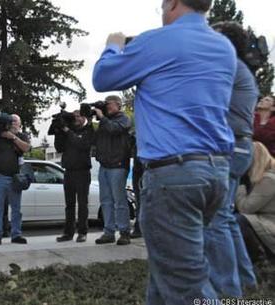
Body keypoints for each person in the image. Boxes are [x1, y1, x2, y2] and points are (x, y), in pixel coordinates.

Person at [92, 0, 236, 303]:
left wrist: (113, 46)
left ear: (172, 2)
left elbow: (103, 78)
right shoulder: (223, 47)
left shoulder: (158, 41)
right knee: (167, 273)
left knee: (186, 286)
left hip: (174, 176)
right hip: (216, 173)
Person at [203, 21, 259, 297]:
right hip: (240, 148)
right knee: (225, 217)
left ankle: (228, 291)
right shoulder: (240, 69)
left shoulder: (229, 67)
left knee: (216, 219)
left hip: (231, 148)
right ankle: (246, 280)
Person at [0, 114, 31, 246]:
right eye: (11, 121)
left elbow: (26, 148)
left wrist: (14, 137)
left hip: (15, 177)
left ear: (20, 124)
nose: (14, 123)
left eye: (16, 121)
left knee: (16, 209)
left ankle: (16, 234)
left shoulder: (22, 136)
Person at [93, 95, 132, 246]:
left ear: (118, 105)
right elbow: (95, 140)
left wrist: (102, 117)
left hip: (118, 165)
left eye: (109, 104)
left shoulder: (124, 119)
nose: (106, 107)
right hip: (104, 165)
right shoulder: (104, 122)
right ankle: (108, 232)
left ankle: (124, 232)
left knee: (119, 201)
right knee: (106, 201)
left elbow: (114, 129)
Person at [54, 110, 94, 243]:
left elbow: (82, 144)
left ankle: (82, 232)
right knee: (69, 204)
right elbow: (59, 147)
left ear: (83, 118)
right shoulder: (67, 132)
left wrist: (67, 130)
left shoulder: (87, 130)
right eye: (74, 117)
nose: (75, 119)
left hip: (82, 171)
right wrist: (59, 130)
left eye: (78, 116)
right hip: (69, 171)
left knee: (82, 204)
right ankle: (68, 233)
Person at [236, 141, 275, 263]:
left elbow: (245, 208)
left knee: (238, 221)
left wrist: (239, 185)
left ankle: (257, 260)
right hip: (266, 219)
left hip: (270, 223)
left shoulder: (268, 179)